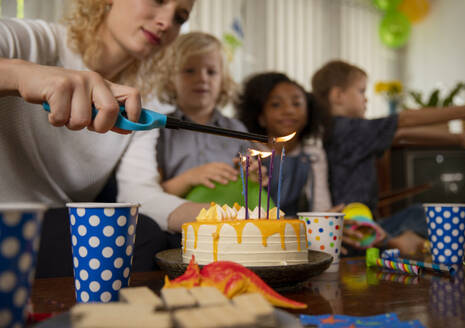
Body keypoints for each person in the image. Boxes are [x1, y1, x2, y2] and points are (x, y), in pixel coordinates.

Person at [0, 0, 199, 276]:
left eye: (180, 17)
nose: (166, 22)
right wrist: (20, 74)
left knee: (146, 236)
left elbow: (140, 194)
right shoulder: (34, 41)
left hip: (52, 233)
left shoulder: (144, 104)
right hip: (8, 220)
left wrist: (233, 221)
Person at [311, 60, 465, 255]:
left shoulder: (342, 129)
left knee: (418, 213)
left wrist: (460, 138)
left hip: (366, 226)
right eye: (361, 91)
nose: (366, 99)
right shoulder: (346, 129)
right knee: (424, 217)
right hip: (356, 233)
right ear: (338, 95)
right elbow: (403, 121)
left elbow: (400, 134)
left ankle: (413, 243)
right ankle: (407, 244)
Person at [154, 32, 249, 198]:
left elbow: (247, 188)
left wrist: (254, 177)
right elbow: (149, 195)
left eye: (211, 72)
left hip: (227, 220)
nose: (202, 78)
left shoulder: (237, 130)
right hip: (175, 220)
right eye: (189, 71)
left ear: (223, 80)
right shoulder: (159, 131)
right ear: (170, 79)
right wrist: (188, 179)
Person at [236, 72, 337, 217]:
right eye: (276, 105)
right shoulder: (247, 151)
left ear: (308, 114)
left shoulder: (313, 154)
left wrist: (328, 218)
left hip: (294, 230)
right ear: (261, 117)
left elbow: (320, 204)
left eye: (296, 103)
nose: (288, 111)